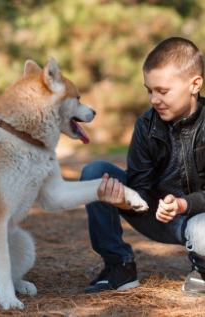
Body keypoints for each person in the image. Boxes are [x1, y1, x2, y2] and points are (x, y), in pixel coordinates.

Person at [80, 37, 205, 296]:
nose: (154, 99)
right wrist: (126, 201)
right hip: (157, 218)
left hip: (199, 219)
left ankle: (202, 269)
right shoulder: (145, 126)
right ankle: (119, 265)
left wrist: (184, 204)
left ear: (194, 85)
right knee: (94, 173)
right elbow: (142, 190)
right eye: (149, 90)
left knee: (202, 229)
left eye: (163, 91)